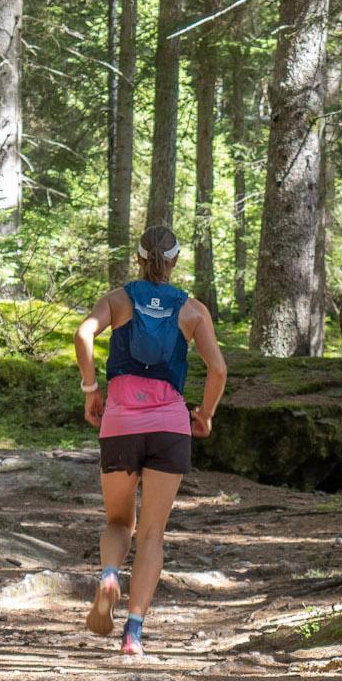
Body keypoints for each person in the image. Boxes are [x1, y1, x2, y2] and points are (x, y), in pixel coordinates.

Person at [73, 225, 226, 656]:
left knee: (120, 523)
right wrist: (205, 415)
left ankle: (107, 577)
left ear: (138, 258)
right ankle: (133, 634)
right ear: (175, 261)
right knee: (153, 534)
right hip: (170, 427)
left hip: (120, 422)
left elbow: (83, 335)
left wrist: (91, 390)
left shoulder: (118, 300)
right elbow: (218, 370)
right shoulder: (192, 310)